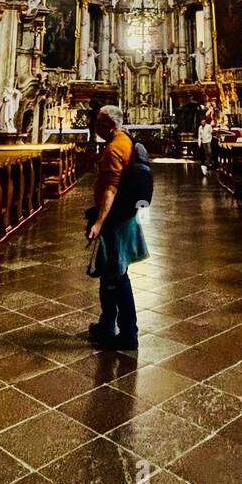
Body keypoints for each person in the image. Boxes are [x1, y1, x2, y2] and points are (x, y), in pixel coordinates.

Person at [86, 105, 149, 350]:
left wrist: (98, 223)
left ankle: (129, 332)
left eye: (99, 121)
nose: (95, 125)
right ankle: (107, 322)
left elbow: (111, 189)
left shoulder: (114, 148)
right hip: (123, 216)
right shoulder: (125, 139)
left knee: (118, 275)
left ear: (109, 123)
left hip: (115, 220)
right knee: (108, 272)